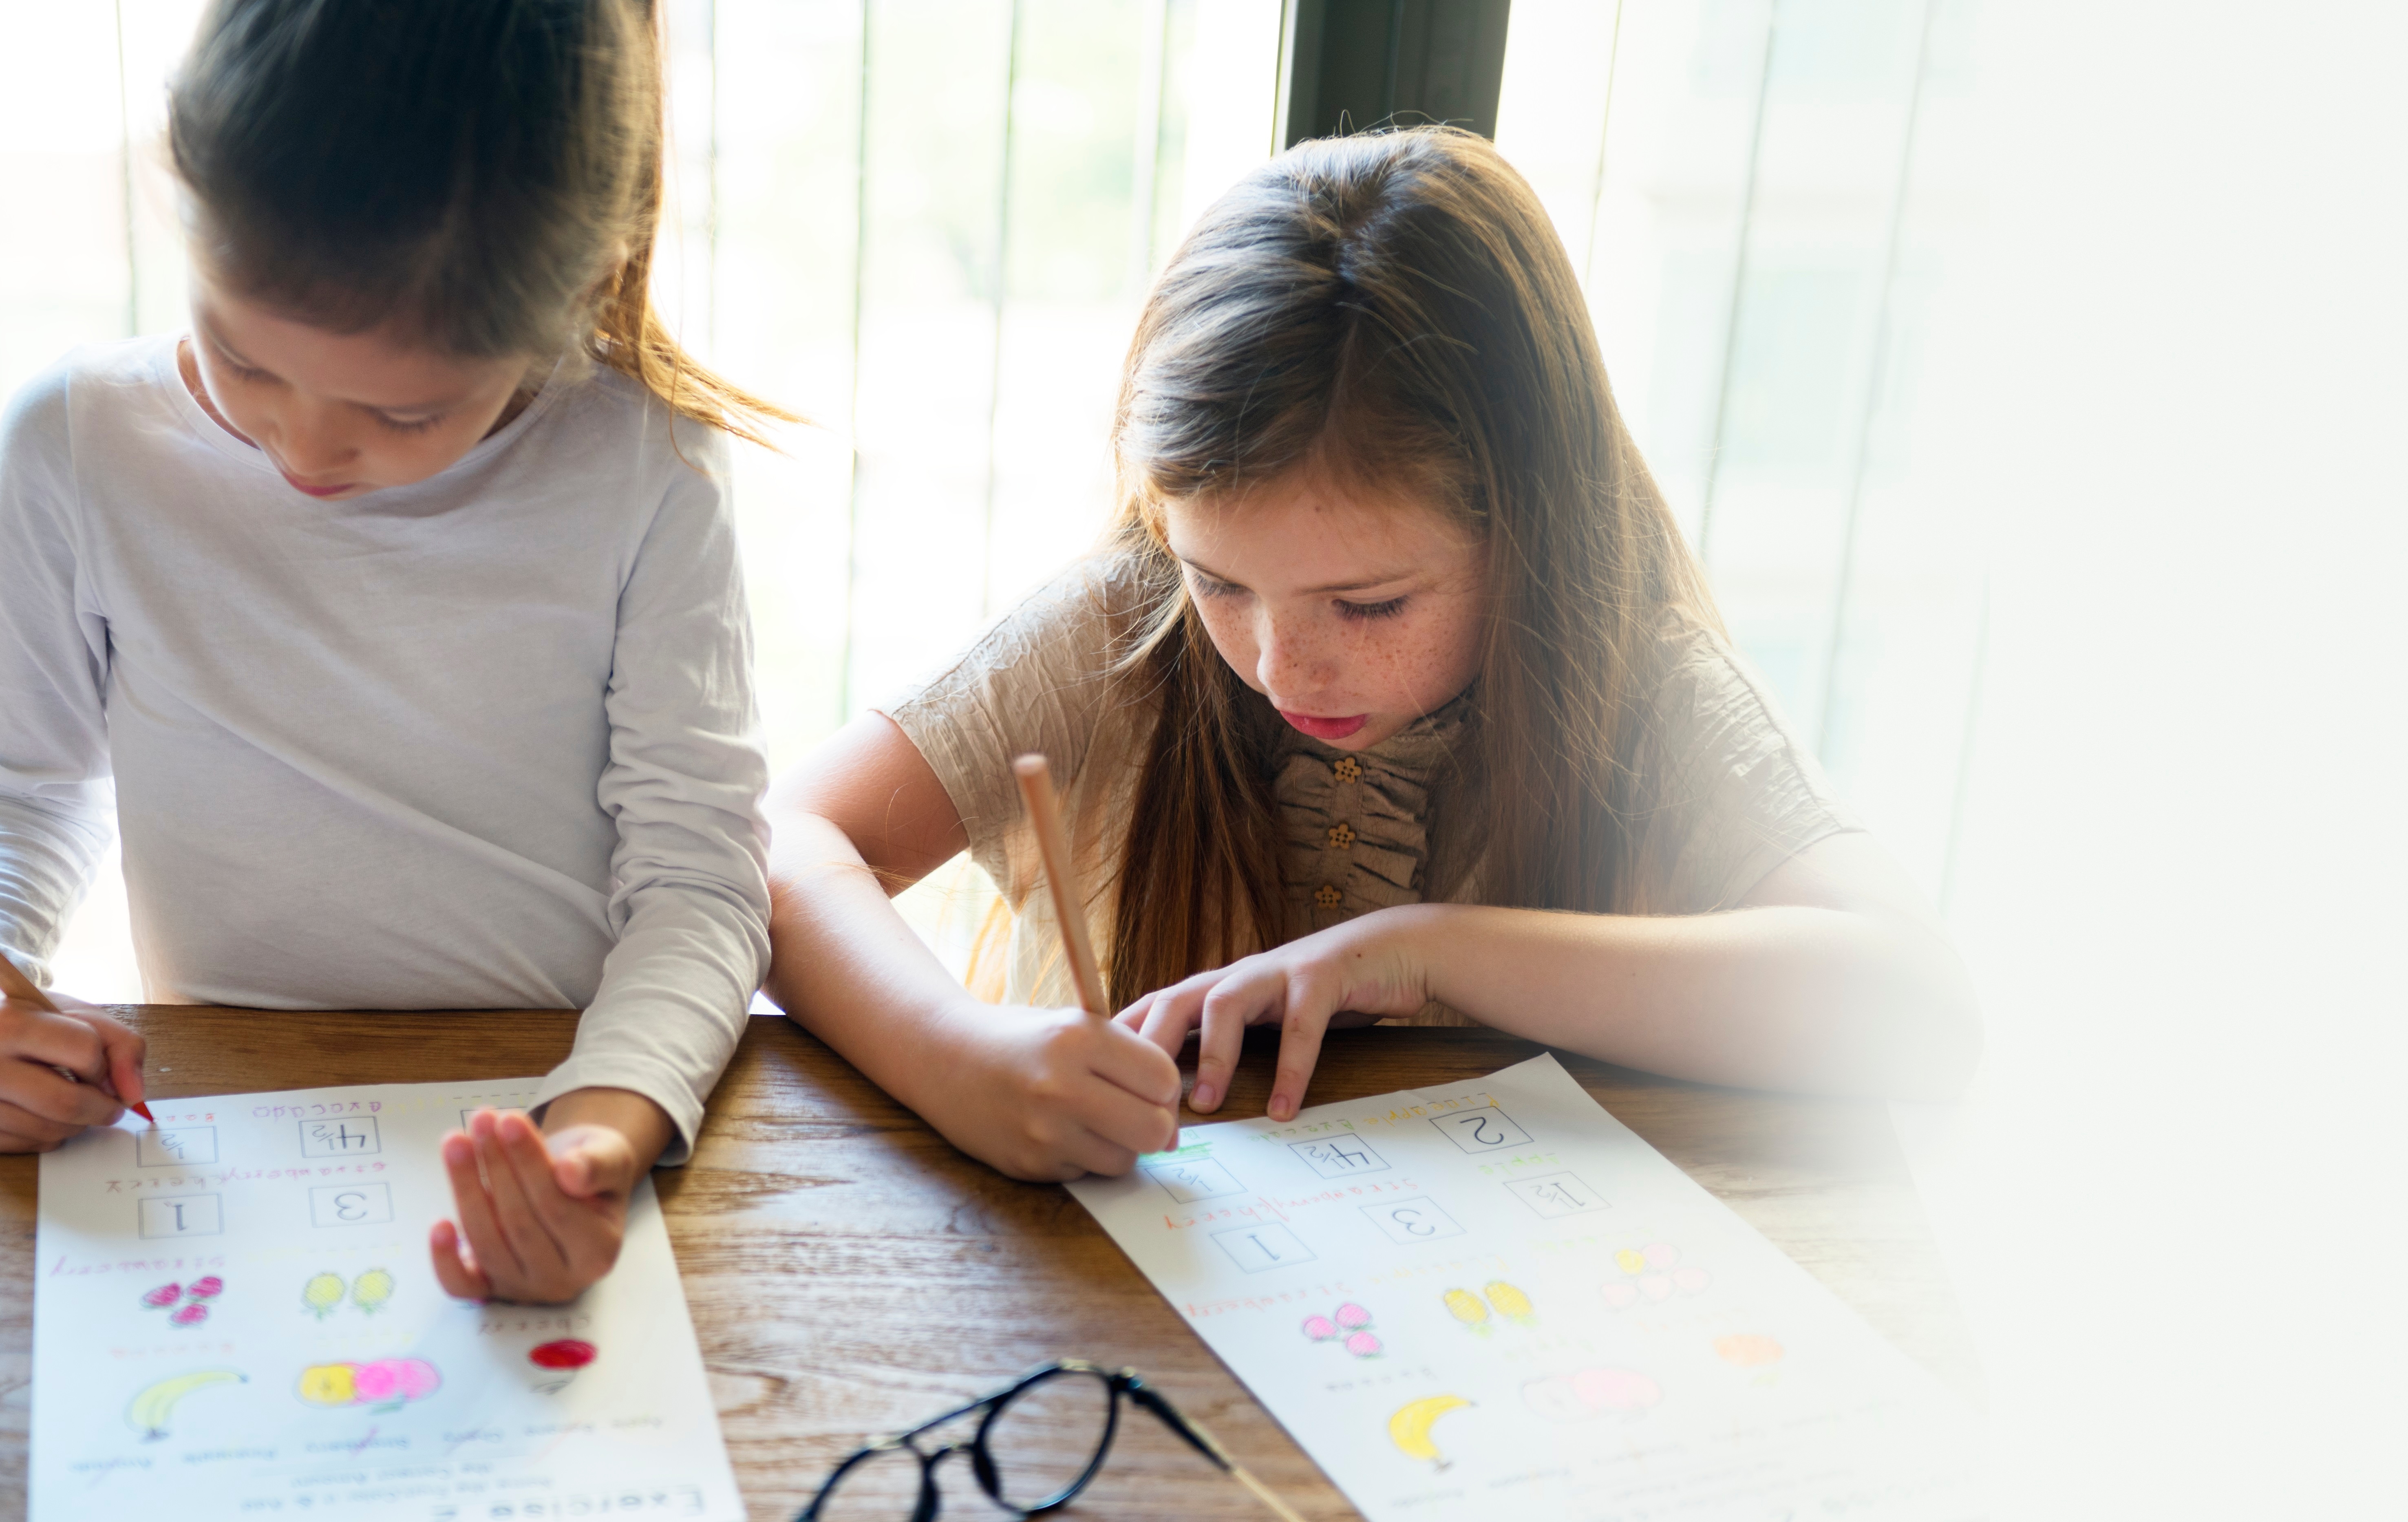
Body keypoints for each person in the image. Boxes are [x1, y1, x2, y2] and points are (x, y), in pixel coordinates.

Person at [763, 127, 1982, 1183]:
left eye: (1371, 605)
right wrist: (954, 1051)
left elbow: (1916, 1013)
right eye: (1221, 582)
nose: (1284, 668)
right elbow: (781, 840)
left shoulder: (1639, 686)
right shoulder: (1122, 625)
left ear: (1525, 530)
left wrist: (1426, 948)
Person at [0, 0, 786, 1301]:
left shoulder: (643, 469)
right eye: (243, 358)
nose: (305, 451)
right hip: (233, 1131)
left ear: (572, 300)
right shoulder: (74, 447)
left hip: (557, 1084)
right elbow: (23, 790)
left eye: (405, 410)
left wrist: (602, 1127)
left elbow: (700, 880)